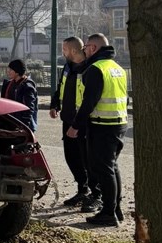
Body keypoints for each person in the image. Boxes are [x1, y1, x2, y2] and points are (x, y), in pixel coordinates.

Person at [67, 33, 128, 227]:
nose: (84, 50)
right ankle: (115, 209)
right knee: (111, 167)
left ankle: (109, 213)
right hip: (118, 123)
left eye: (85, 47)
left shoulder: (95, 69)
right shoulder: (117, 68)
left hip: (102, 125)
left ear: (93, 48)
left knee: (103, 169)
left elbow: (89, 102)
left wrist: (76, 125)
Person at [50, 37, 96, 207]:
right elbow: (61, 86)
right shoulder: (68, 66)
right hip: (68, 120)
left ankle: (94, 194)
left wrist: (78, 122)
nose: (62, 52)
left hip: (83, 123)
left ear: (74, 51)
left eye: (64, 49)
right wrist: (55, 104)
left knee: (88, 160)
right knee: (72, 158)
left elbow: (89, 98)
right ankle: (82, 190)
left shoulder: (89, 68)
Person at [0, 59, 38, 131]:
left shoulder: (27, 86)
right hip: (11, 122)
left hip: (21, 125)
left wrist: (24, 126)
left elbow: (29, 108)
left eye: (11, 69)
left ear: (17, 72)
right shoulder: (9, 84)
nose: (8, 71)